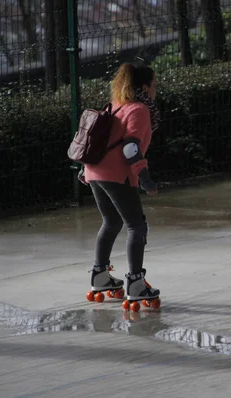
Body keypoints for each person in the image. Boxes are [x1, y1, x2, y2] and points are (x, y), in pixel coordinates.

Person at [78, 62, 161, 302]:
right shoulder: (138, 109)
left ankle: (100, 277)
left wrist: (86, 170)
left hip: (94, 172)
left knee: (111, 221)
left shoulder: (116, 106)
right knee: (137, 226)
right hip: (116, 174)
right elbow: (130, 148)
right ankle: (135, 283)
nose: (156, 90)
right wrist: (145, 178)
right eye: (154, 85)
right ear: (144, 87)